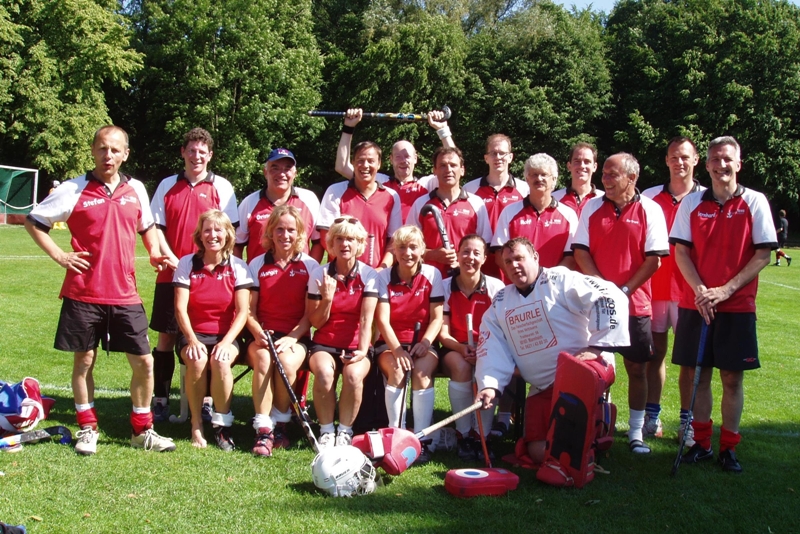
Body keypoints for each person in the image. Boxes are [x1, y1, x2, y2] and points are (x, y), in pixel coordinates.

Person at [25, 125, 175, 455]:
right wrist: (61, 255)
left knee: (145, 363)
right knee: (84, 361)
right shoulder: (73, 188)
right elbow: (35, 222)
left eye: (115, 150)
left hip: (125, 293)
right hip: (83, 293)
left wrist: (153, 251)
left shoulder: (136, 188)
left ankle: (141, 430)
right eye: (102, 148)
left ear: (125, 154)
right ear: (93, 150)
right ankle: (88, 428)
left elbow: (146, 227)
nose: (108, 155)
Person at [670, 136, 777, 473]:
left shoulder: (755, 202)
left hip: (736, 306)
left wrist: (725, 290)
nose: (721, 165)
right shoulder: (691, 203)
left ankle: (729, 447)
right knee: (698, 376)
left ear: (738, 163)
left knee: (732, 379)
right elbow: (681, 252)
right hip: (696, 303)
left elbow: (763, 254)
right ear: (708, 164)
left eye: (727, 159)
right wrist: (702, 290)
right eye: (715, 159)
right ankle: (701, 444)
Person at [475, 237, 629, 465]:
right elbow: (491, 344)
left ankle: (598, 422)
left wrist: (596, 347)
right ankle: (588, 435)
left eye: (519, 258)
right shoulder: (501, 301)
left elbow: (609, 294)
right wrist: (489, 384)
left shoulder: (561, 279)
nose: (514, 266)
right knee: (540, 453)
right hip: (542, 387)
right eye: (508, 262)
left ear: (535, 257)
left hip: (582, 375)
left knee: (567, 454)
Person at [572, 152, 669, 454]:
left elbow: (654, 260)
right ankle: (594, 427)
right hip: (596, 304)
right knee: (593, 368)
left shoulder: (650, 210)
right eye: (605, 174)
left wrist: (624, 290)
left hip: (635, 304)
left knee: (636, 368)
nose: (605, 180)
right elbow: (580, 251)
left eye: (613, 174)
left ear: (632, 177)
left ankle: (636, 433)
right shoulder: (591, 207)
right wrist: (603, 288)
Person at [149, 127, 239, 422]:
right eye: (191, 150)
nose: (196, 156)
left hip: (210, 279)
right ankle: (160, 399)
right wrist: (174, 259)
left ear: (210, 155)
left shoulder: (222, 187)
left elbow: (230, 232)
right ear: (182, 153)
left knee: (211, 337)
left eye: (202, 151)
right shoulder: (166, 186)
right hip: (171, 274)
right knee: (165, 339)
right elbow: (156, 228)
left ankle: (208, 401)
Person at [641, 137, 705, 442]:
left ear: (695, 160)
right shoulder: (650, 197)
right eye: (673, 157)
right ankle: (652, 417)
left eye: (685, 157)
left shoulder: (707, 198)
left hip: (690, 292)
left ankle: (687, 421)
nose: (679, 162)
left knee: (689, 361)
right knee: (654, 356)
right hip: (654, 290)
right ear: (666, 161)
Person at [173, 210, 253, 450]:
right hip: (193, 335)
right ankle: (196, 424)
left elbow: (242, 312)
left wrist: (227, 342)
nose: (212, 235)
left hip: (226, 337)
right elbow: (180, 308)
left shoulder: (239, 267)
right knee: (197, 361)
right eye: (207, 229)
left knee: (220, 360)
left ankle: (221, 425)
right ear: (200, 234)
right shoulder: (187, 263)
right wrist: (192, 340)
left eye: (218, 230)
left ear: (228, 234)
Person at [245, 205, 319, 455]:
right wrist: (257, 332)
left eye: (291, 230)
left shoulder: (310, 265)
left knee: (286, 363)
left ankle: (281, 424)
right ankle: (264, 428)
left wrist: (292, 337)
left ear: (299, 233)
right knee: (265, 359)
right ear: (270, 232)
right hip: (263, 335)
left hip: (296, 337)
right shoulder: (257, 264)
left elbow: (311, 314)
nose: (285, 235)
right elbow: (249, 310)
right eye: (279, 229)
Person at [307, 217, 379, 448]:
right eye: (339, 238)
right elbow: (315, 322)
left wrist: (362, 351)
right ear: (331, 243)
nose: (345, 244)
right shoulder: (319, 274)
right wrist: (327, 298)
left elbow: (367, 318)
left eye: (351, 239)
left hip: (357, 343)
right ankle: (327, 430)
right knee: (325, 374)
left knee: (353, 375)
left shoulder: (370, 275)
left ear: (359, 244)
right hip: (325, 342)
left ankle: (345, 431)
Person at [374, 226, 444, 463]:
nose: (408, 253)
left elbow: (436, 318)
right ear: (394, 250)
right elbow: (382, 320)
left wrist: (426, 342)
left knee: (423, 373)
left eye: (413, 247)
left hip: (423, 342)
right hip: (391, 342)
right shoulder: (383, 277)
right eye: (402, 247)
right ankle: (397, 436)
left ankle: (422, 439)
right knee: (397, 369)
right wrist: (397, 350)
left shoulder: (433, 275)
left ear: (422, 249)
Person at [438, 234, 504, 461]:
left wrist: (483, 351)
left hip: (488, 347)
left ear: (485, 258)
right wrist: (461, 348)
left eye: (477, 253)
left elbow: (502, 331)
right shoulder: (445, 286)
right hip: (454, 347)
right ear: (457, 255)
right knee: (462, 367)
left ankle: (481, 435)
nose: (470, 258)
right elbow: (442, 333)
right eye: (465, 252)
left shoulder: (496, 287)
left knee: (488, 370)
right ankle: (464, 433)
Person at [334, 110, 454, 221]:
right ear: (391, 159)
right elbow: (342, 166)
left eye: (407, 156)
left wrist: (443, 129)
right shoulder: (379, 182)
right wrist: (348, 127)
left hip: (414, 243)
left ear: (415, 158)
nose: (403, 161)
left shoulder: (428, 184)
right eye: (398, 157)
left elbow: (454, 164)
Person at [319, 112, 403, 269]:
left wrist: (382, 269)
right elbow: (326, 237)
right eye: (360, 161)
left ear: (379, 164)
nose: (365, 165)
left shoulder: (391, 196)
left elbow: (394, 240)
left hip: (377, 276)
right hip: (342, 275)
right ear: (353, 163)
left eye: (371, 161)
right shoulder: (335, 192)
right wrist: (346, 266)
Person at [407, 146, 493, 275]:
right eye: (442, 165)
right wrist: (432, 255)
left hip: (464, 281)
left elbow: (485, 245)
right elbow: (406, 246)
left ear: (462, 170)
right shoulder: (420, 204)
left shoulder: (476, 203)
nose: (448, 170)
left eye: (453, 165)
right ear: (434, 170)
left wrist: (463, 262)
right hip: (428, 280)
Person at [491, 153, 579, 271]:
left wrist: (547, 282)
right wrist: (521, 281)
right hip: (517, 286)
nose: (539, 179)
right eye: (534, 174)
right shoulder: (509, 212)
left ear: (554, 179)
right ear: (527, 178)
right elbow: (499, 254)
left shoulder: (568, 215)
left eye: (544, 175)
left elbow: (571, 258)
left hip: (554, 287)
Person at [235, 148, 323, 263]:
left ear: (295, 174)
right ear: (265, 172)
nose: (281, 174)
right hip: (259, 277)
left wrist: (311, 271)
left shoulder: (309, 199)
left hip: (300, 278)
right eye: (274, 168)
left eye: (287, 168)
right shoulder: (249, 202)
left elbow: (318, 242)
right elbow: (237, 244)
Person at [463, 134, 529, 278]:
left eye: (502, 153)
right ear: (486, 158)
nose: (498, 157)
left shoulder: (525, 190)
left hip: (513, 264)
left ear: (510, 157)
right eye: (493, 153)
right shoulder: (470, 189)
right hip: (479, 264)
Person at [553, 142, 603, 217]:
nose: (582, 166)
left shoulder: (603, 199)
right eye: (577, 161)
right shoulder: (554, 199)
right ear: (569, 166)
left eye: (587, 162)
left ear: (594, 167)